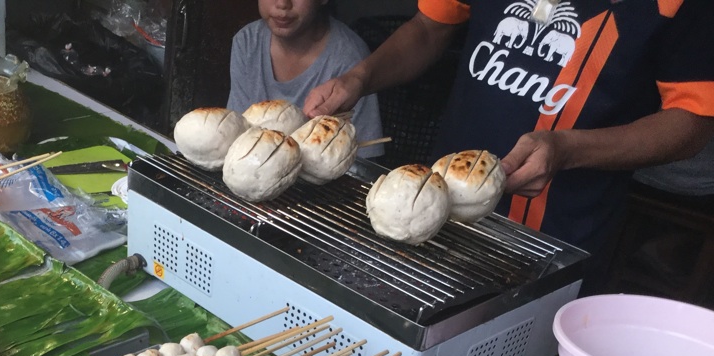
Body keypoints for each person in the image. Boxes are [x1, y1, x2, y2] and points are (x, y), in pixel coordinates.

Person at [303, 0, 714, 287]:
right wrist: (360, 77)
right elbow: (430, 27)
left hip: (563, 228)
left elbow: (693, 121)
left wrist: (569, 150)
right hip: (439, 203)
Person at [228, 0, 385, 158]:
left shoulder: (350, 58)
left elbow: (363, 160)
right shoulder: (247, 43)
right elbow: (237, 135)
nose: (282, 4)